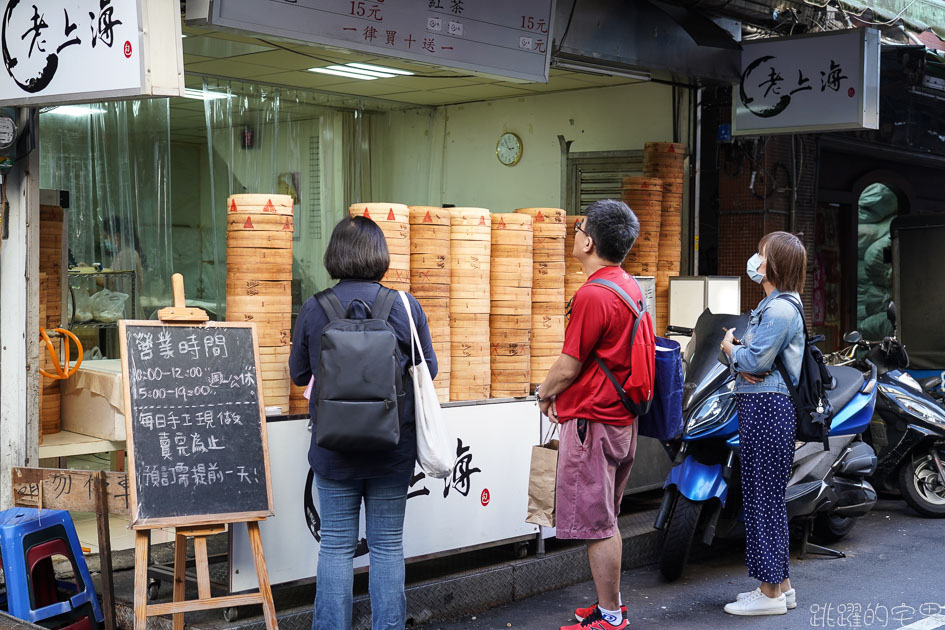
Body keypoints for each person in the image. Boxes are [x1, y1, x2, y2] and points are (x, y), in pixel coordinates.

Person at [289, 216, 437, 630]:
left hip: (334, 451)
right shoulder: (405, 306)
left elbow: (299, 374)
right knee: (388, 547)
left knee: (335, 546)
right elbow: (431, 370)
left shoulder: (315, 308)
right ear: (380, 255)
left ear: (334, 255)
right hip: (393, 450)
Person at [536, 199, 655, 630]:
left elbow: (569, 364)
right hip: (621, 420)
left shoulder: (592, 294)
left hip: (592, 424)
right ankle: (611, 606)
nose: (575, 232)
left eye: (578, 226)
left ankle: (610, 617)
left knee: (597, 524)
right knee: (606, 517)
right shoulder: (629, 285)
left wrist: (543, 393)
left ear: (589, 241)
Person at [720, 231, 807, 616]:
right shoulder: (777, 305)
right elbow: (755, 361)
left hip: (767, 408)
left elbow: (754, 363)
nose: (755, 260)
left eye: (760, 254)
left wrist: (731, 348)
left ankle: (768, 594)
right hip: (765, 406)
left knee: (763, 498)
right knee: (765, 495)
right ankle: (781, 586)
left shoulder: (780, 310)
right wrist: (746, 356)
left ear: (773, 265)